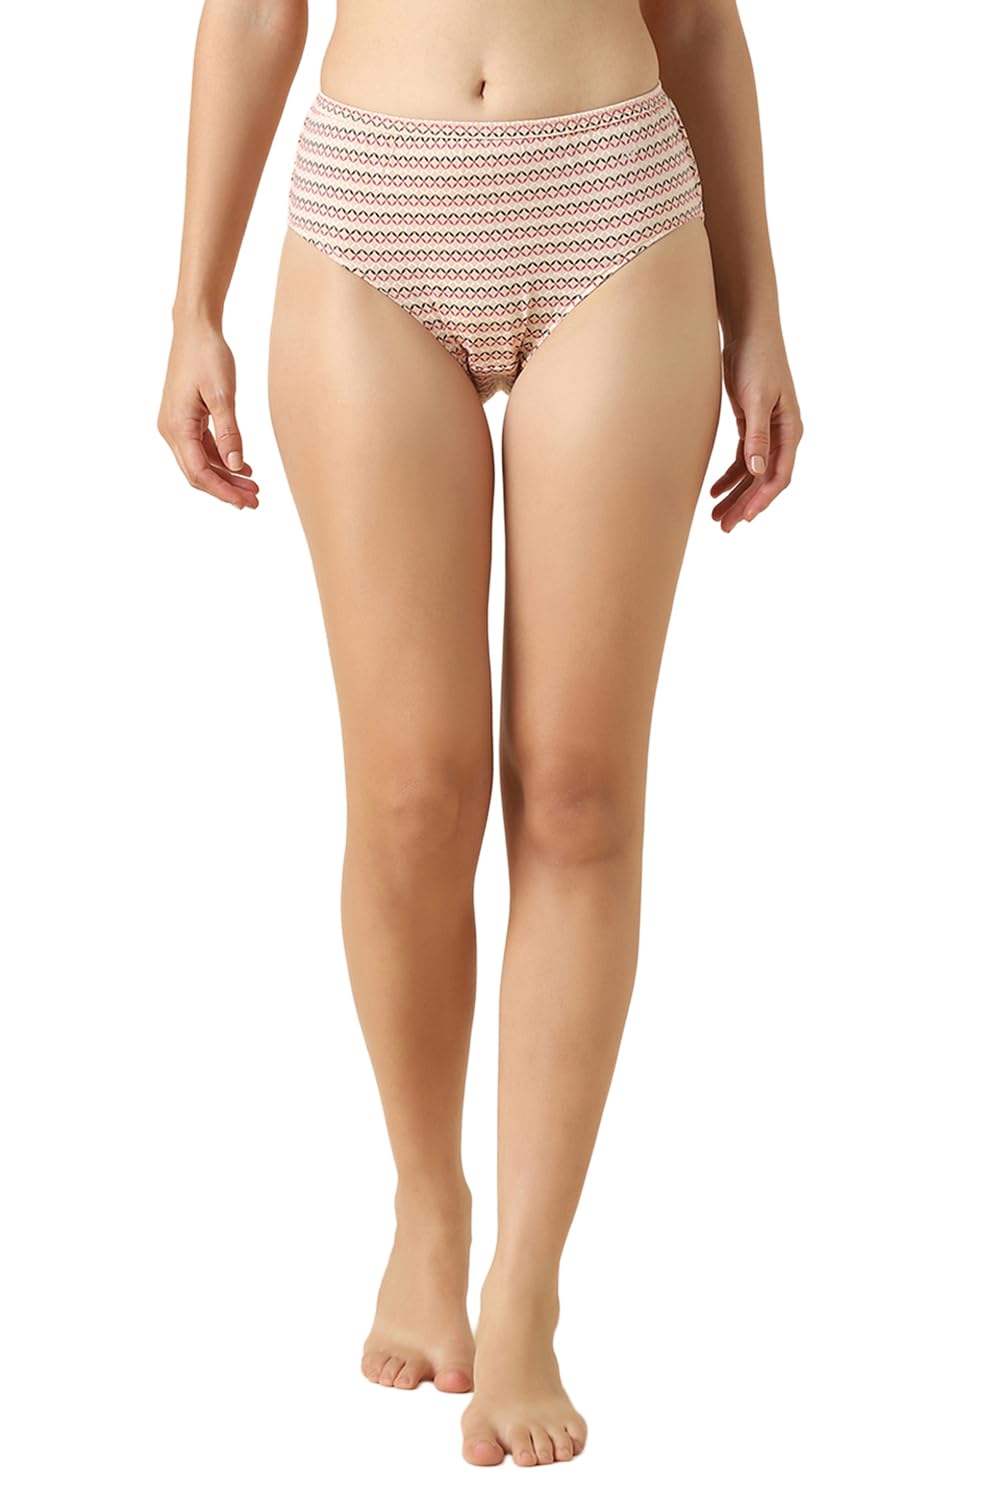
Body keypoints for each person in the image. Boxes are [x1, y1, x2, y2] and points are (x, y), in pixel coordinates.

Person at [157, 0, 803, 1469]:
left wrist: (760, 308)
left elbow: (699, 23)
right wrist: (191, 303)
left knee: (577, 793)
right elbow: (253, 11)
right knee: (410, 796)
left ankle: (526, 1285)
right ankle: (427, 1202)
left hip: (615, 206)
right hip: (370, 217)